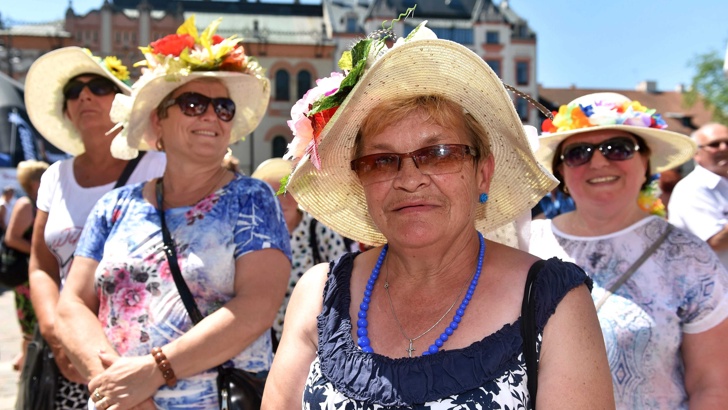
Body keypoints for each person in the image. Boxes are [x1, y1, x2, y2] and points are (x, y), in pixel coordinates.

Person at [263, 21, 614, 409]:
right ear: (361, 181)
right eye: (382, 161)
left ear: (483, 172)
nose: (409, 179)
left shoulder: (553, 302)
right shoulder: (319, 297)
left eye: (439, 154)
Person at [56, 16, 291, 409]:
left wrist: (151, 372)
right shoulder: (114, 207)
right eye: (193, 103)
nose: (211, 116)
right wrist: (114, 387)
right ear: (157, 121)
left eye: (223, 107)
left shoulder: (251, 198)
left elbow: (256, 307)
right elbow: (72, 304)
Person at [529, 93, 728, 409]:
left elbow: (713, 387)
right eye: (578, 152)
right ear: (561, 172)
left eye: (618, 148)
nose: (598, 162)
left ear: (646, 162)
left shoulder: (689, 257)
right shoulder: (524, 245)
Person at [24, 47, 167, 409]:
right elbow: (41, 265)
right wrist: (54, 331)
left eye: (99, 86)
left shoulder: (160, 166)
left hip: (139, 349)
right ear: (67, 111)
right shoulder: (55, 176)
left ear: (122, 102)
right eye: (74, 90)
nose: (84, 95)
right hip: (65, 350)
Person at [252, 158, 352, 349]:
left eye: (287, 191)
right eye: (273, 193)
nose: (282, 200)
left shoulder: (318, 229)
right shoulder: (254, 235)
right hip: (265, 347)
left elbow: (345, 283)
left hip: (314, 345)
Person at [5, 160, 48, 371]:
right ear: (33, 182)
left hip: (39, 272)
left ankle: (26, 362)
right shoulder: (25, 204)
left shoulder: (43, 203)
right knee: (31, 325)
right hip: (25, 275)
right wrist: (38, 252)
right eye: (44, 178)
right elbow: (12, 238)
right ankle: (26, 364)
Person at [668, 123, 728, 268]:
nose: (724, 148)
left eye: (727, 142)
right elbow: (715, 242)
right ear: (696, 153)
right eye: (714, 144)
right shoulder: (690, 189)